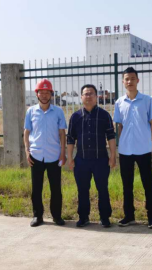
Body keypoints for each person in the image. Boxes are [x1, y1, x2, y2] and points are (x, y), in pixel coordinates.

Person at [113, 67, 152, 229]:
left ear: (137, 80)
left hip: (143, 149)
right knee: (127, 185)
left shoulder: (147, 100)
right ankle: (129, 216)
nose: (130, 81)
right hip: (125, 150)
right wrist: (121, 142)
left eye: (132, 78)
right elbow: (120, 126)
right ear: (123, 82)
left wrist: (148, 140)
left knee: (148, 184)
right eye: (127, 79)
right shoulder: (119, 103)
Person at [67, 84, 117, 228]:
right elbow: (70, 139)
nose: (88, 96)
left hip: (100, 160)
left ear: (96, 97)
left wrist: (113, 156)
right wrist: (70, 158)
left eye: (91, 94)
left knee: (103, 189)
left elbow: (111, 136)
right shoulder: (75, 117)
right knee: (82, 190)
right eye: (85, 94)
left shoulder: (104, 115)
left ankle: (105, 217)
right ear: (81, 97)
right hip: (81, 160)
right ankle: (83, 217)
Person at [24, 79, 67, 227]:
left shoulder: (58, 112)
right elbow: (26, 132)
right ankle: (37, 216)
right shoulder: (31, 111)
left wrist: (63, 153)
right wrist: (27, 151)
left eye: (47, 92)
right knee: (36, 188)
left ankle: (57, 216)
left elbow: (62, 133)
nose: (44, 95)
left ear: (51, 94)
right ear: (37, 94)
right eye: (41, 92)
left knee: (56, 188)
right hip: (36, 155)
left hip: (54, 155)